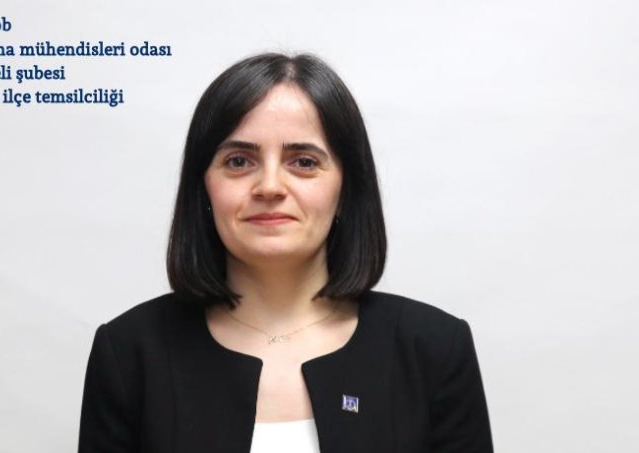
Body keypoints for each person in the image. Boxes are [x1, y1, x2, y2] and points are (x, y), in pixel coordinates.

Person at [78, 52, 493, 453]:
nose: (270, 187)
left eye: (304, 162)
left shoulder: (434, 349)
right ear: (203, 187)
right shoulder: (129, 352)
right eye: (238, 161)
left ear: (347, 188)